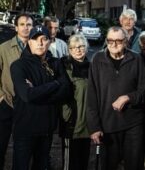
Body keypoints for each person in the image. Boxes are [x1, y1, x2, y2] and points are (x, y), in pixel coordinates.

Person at [86, 26, 145, 170]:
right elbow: (92, 96)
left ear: (126, 41)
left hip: (133, 124)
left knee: (134, 165)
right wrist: (94, 127)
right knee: (108, 165)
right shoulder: (97, 59)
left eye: (119, 41)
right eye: (110, 41)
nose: (114, 45)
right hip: (108, 125)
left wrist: (128, 97)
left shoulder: (136, 59)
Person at [10, 25, 72, 170]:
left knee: (42, 165)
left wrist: (38, 91)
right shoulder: (19, 66)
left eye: (44, 39)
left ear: (49, 42)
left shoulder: (55, 63)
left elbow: (67, 90)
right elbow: (27, 95)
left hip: (47, 129)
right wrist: (55, 83)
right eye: (35, 39)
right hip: (25, 128)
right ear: (29, 42)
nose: (40, 43)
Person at [0, 12, 33, 170]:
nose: (26, 28)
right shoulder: (4, 48)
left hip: (27, 104)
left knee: (22, 148)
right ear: (16, 27)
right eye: (22, 24)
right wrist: (0, 96)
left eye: (29, 25)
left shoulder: (37, 47)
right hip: (6, 102)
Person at [60, 34, 90, 170]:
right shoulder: (64, 67)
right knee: (70, 163)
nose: (78, 50)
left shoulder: (92, 67)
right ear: (69, 50)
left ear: (86, 48)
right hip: (72, 124)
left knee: (84, 162)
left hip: (88, 125)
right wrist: (66, 116)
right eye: (73, 48)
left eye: (81, 46)